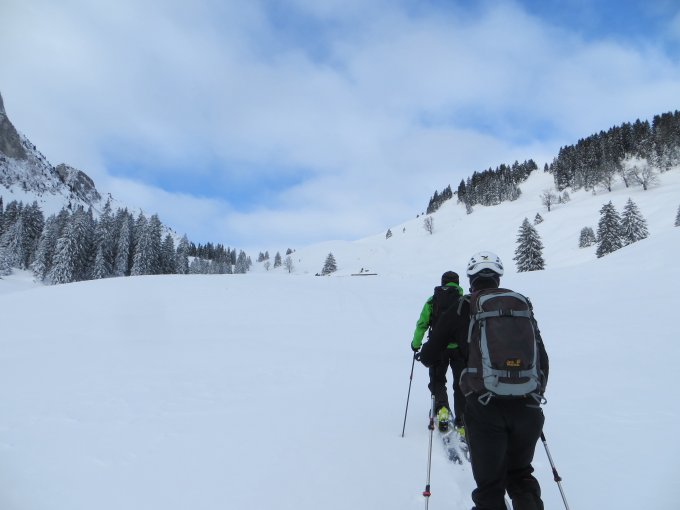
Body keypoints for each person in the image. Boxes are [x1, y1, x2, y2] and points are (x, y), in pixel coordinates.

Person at [418, 251, 549, 510]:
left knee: (490, 488)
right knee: (521, 475)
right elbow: (542, 360)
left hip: (484, 408)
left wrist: (426, 354)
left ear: (471, 279)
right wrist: (531, 392)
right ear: (498, 277)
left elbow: (431, 353)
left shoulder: (463, 306)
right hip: (528, 407)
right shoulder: (521, 305)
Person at [411, 270, 466, 432]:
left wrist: (416, 344)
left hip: (438, 348)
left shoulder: (432, 300)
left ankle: (442, 409)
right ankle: (462, 419)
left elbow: (422, 324)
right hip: (460, 349)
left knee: (438, 380)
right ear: (458, 283)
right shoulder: (463, 301)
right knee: (461, 383)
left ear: (442, 282)